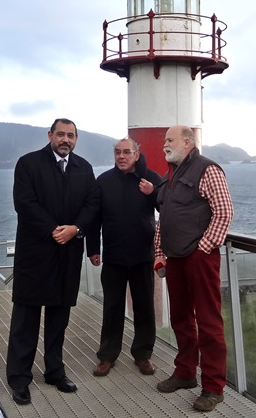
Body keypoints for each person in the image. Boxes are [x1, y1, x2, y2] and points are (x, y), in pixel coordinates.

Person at [5, 118, 100, 406]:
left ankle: (55, 371)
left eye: (71, 135)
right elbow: (24, 203)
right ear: (50, 135)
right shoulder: (29, 164)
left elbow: (93, 204)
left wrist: (76, 229)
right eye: (60, 134)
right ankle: (19, 379)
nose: (65, 140)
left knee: (59, 319)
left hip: (68, 253)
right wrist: (54, 230)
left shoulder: (84, 168)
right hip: (35, 253)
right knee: (26, 320)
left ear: (76, 139)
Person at [153, 125, 234, 413]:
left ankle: (213, 387)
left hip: (200, 258)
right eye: (165, 140)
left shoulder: (207, 169)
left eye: (170, 140)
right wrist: (159, 252)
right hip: (175, 258)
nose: (165, 144)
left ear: (187, 142)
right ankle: (186, 372)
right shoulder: (171, 175)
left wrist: (203, 248)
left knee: (209, 322)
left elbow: (224, 212)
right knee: (181, 318)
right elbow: (164, 219)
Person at [87, 137, 162, 378]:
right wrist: (93, 249)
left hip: (142, 255)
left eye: (127, 152)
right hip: (113, 256)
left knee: (144, 307)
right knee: (112, 307)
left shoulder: (150, 178)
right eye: (118, 152)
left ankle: (143, 354)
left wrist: (153, 193)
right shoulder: (104, 181)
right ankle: (107, 356)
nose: (121, 156)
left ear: (136, 155)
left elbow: (167, 206)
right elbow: (94, 217)